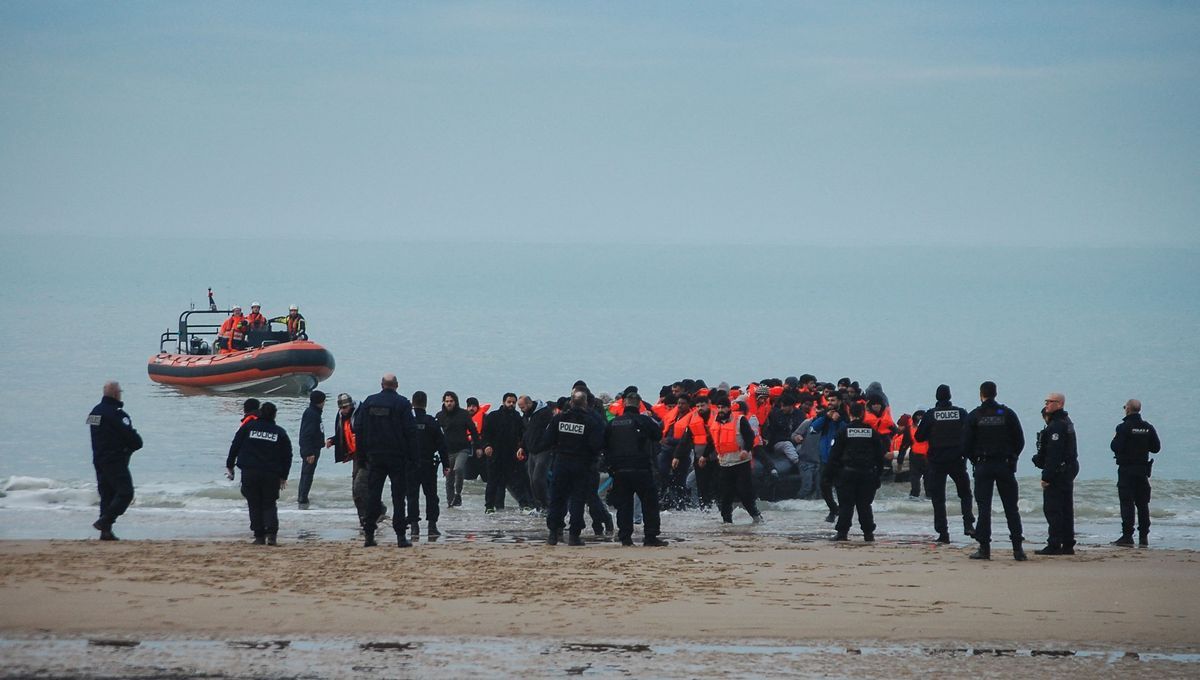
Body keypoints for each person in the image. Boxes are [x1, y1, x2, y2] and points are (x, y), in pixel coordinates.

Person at [962, 381, 1027, 561]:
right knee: (1011, 508)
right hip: (1004, 465)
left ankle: (984, 548)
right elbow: (1020, 440)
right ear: (996, 393)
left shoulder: (975, 416)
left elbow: (965, 445)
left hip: (983, 465)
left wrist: (975, 460)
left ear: (981, 394)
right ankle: (1017, 549)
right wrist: (1012, 457)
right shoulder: (1007, 414)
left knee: (984, 508)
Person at [355, 374, 418, 548]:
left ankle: (369, 534)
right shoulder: (403, 403)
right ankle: (400, 537)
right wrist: (413, 458)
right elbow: (411, 432)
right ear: (396, 385)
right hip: (397, 456)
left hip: (374, 456)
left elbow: (358, 429)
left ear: (382, 385)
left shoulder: (369, 402)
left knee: (373, 496)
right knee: (398, 497)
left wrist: (361, 456)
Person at [541, 390, 605, 546]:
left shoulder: (559, 419)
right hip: (582, 465)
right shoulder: (591, 421)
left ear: (570, 402)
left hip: (561, 463)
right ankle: (574, 536)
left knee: (557, 498)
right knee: (577, 500)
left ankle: (553, 533)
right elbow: (596, 445)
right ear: (585, 403)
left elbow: (547, 440)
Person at [604, 392, 668, 546]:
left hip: (620, 470)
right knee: (649, 503)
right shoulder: (644, 420)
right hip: (641, 468)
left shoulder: (613, 423)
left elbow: (605, 445)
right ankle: (650, 536)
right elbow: (658, 434)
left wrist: (610, 467)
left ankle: (625, 537)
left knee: (624, 504)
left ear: (624, 404)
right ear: (639, 404)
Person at [914, 384, 976, 543]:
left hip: (937, 460)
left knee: (938, 498)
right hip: (957, 459)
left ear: (937, 397)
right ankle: (968, 524)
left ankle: (943, 533)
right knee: (965, 494)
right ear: (949, 396)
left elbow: (919, 437)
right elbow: (971, 433)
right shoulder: (961, 413)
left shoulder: (931, 415)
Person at [225, 402, 292, 545]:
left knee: (254, 503)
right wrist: (284, 476)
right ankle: (272, 535)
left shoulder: (248, 428)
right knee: (269, 503)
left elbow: (235, 445)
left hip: (250, 472)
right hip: (271, 474)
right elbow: (287, 455)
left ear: (260, 413)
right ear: (274, 415)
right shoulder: (279, 432)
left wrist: (230, 465)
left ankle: (259, 535)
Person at [87, 381, 143, 541]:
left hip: (98, 458)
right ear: (115, 394)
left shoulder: (94, 412)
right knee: (125, 493)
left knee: (107, 494)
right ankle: (105, 521)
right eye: (120, 392)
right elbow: (130, 437)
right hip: (115, 459)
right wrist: (136, 443)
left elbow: (96, 434)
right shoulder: (117, 414)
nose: (121, 394)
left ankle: (105, 532)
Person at [826, 402, 886, 541]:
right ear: (863, 414)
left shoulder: (843, 431)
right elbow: (880, 456)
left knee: (846, 505)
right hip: (868, 474)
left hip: (847, 473)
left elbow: (834, 455)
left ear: (850, 414)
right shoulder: (872, 432)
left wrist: (828, 476)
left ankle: (842, 533)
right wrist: (878, 475)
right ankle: (868, 534)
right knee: (864, 505)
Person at [1110, 399, 1161, 547]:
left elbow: (1115, 447)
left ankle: (1127, 536)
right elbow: (1156, 448)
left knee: (1127, 503)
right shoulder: (1147, 427)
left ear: (1127, 409)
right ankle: (1143, 536)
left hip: (1127, 470)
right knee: (1143, 504)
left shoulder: (1123, 427)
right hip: (1142, 470)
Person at [1033, 393, 1079, 555]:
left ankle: (1054, 544)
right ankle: (1067, 543)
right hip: (1068, 470)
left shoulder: (1057, 426)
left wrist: (1047, 476)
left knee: (1053, 509)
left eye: (1050, 402)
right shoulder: (1066, 422)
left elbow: (1054, 454)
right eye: (1046, 401)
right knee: (1066, 508)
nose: (1047, 404)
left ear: (1059, 404)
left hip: (1059, 472)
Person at [707, 396, 765, 525]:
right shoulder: (714, 424)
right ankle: (727, 522)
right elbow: (711, 442)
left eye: (723, 407)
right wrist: (704, 456)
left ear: (729, 408)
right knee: (725, 496)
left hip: (741, 463)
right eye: (719, 408)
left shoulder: (740, 420)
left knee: (745, 493)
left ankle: (756, 517)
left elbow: (750, 436)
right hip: (724, 464)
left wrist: (746, 449)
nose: (721, 410)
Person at [328, 392, 381, 529]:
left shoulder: (362, 414)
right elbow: (343, 434)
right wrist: (333, 441)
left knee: (359, 487)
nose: (344, 410)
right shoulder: (340, 417)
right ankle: (367, 517)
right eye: (341, 408)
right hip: (355, 456)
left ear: (351, 405)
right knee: (356, 490)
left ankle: (370, 516)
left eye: (346, 407)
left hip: (367, 455)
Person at [408, 391, 446, 539]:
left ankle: (414, 527)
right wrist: (446, 465)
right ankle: (432, 526)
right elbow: (442, 445)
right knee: (431, 496)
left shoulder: (407, 421)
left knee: (412, 496)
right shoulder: (431, 421)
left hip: (410, 464)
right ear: (426, 403)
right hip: (428, 464)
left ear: (412, 403)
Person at [436, 391, 483, 508]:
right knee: (449, 478)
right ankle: (450, 504)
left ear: (455, 402)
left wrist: (477, 447)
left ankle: (458, 494)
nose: (449, 403)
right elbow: (435, 433)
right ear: (444, 402)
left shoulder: (463, 414)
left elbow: (473, 431)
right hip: (448, 451)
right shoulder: (440, 416)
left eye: (451, 401)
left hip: (463, 448)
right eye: (447, 401)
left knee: (459, 468)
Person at [482, 392, 526, 513]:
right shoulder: (493, 416)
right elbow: (485, 434)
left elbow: (522, 435)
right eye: (509, 402)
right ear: (503, 402)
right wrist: (486, 446)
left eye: (513, 402)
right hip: (495, 454)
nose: (511, 404)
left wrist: (521, 447)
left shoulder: (517, 417)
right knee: (493, 482)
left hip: (511, 455)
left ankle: (524, 505)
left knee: (516, 481)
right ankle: (489, 507)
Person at [672, 393, 716, 510]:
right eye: (698, 406)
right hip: (699, 458)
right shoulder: (693, 420)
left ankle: (717, 511)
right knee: (702, 487)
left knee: (715, 486)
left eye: (702, 405)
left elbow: (714, 440)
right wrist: (676, 456)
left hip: (716, 459)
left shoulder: (716, 418)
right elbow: (685, 440)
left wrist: (705, 456)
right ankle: (704, 511)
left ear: (709, 405)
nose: (700, 408)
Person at [810, 393, 848, 522]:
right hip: (826, 459)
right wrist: (827, 417)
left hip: (840, 459)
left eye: (833, 400)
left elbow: (847, 431)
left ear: (840, 401)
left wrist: (839, 420)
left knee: (840, 487)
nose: (830, 402)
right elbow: (813, 428)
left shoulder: (845, 416)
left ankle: (842, 512)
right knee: (824, 486)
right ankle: (833, 509)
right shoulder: (824, 416)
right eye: (829, 400)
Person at [523, 396, 559, 512]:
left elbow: (552, 431)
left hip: (544, 450)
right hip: (532, 450)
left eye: (522, 407)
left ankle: (546, 505)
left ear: (529, 404)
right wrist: (522, 447)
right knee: (532, 480)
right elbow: (527, 433)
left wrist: (547, 444)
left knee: (538, 479)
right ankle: (539, 506)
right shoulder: (527, 416)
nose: (521, 410)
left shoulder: (545, 413)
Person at [297, 390, 328, 508]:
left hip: (314, 448)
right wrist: (308, 452)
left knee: (307, 473)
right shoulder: (312, 414)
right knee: (307, 473)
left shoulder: (315, 412)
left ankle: (303, 496)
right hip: (311, 450)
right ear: (321, 401)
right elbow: (306, 434)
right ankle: (302, 498)